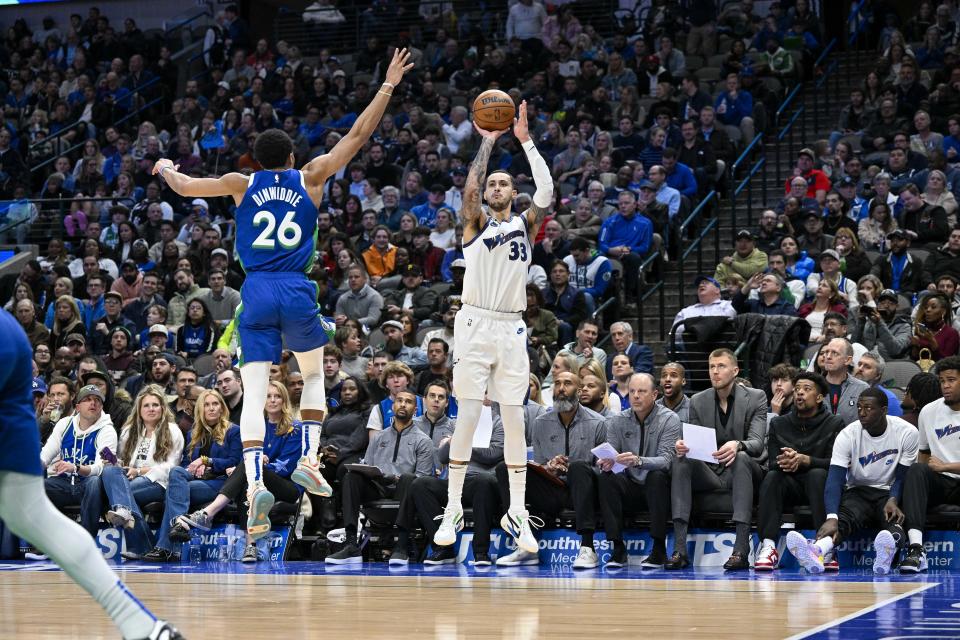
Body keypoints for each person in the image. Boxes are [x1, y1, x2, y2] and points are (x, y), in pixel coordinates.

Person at [154, 51, 413, 539]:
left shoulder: (240, 182)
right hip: (296, 287)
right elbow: (358, 136)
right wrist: (387, 85)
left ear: (257, 160)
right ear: (292, 160)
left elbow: (186, 187)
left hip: (254, 292)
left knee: (253, 394)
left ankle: (253, 488)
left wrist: (166, 167)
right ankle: (310, 458)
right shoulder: (311, 176)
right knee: (312, 375)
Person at [0, 311, 183, 639]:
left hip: (114, 482)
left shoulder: (113, 430)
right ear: (79, 405)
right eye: (89, 401)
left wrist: (86, 467)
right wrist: (52, 464)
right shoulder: (75, 426)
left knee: (103, 477)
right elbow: (47, 454)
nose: (94, 405)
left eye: (98, 400)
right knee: (25, 510)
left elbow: (112, 462)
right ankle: (143, 625)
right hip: (78, 482)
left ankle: (121, 514)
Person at [433, 99, 553, 556]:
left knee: (515, 418)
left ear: (513, 193)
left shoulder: (527, 225)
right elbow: (468, 192)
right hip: (475, 322)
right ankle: (452, 506)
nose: (498, 187)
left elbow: (546, 189)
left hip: (513, 327)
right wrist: (486, 144)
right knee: (467, 413)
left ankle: (517, 512)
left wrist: (526, 142)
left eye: (506, 183)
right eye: (494, 184)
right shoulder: (476, 223)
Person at [784, 388, 918, 576]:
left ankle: (886, 555)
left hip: (889, 493)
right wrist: (832, 516)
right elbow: (835, 478)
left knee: (894, 525)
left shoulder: (907, 432)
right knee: (842, 521)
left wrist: (894, 498)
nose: (862, 413)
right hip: (859, 491)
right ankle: (818, 550)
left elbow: (903, 474)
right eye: (859, 408)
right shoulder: (848, 434)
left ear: (884, 410)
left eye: (869, 408)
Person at [180, 381, 305, 563]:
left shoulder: (296, 428)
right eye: (268, 396)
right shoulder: (255, 426)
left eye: (277, 396)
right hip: (255, 479)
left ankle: (208, 512)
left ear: (284, 400)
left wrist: (258, 465)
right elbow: (243, 456)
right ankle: (250, 545)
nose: (272, 400)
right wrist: (251, 464)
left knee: (249, 467)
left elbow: (285, 467)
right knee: (248, 480)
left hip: (287, 487)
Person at [668, 349, 767, 571]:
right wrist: (683, 445)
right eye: (711, 367)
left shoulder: (756, 397)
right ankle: (680, 550)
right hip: (712, 472)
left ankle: (741, 549)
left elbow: (757, 443)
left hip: (746, 470)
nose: (715, 371)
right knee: (680, 460)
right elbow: (695, 442)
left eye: (721, 366)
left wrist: (737, 444)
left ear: (735, 370)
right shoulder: (698, 400)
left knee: (741, 457)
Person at [494, 371, 606, 567]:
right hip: (553, 491)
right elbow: (539, 465)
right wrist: (549, 467)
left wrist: (572, 468)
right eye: (557, 383)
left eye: (568, 383)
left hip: (586, 492)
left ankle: (588, 548)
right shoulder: (541, 423)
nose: (561, 388)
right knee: (506, 469)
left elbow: (604, 470)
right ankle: (524, 544)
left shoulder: (598, 422)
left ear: (579, 391)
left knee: (579, 467)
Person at [325, 389, 435, 564]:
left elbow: (422, 478)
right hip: (378, 487)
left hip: (404, 491)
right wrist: (370, 472)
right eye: (399, 400)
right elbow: (368, 465)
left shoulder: (423, 441)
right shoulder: (378, 437)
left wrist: (393, 478)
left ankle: (402, 546)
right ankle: (352, 544)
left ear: (415, 410)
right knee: (351, 476)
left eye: (408, 402)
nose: (403, 404)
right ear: (393, 406)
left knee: (409, 479)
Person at [754, 373, 844, 570]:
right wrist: (789, 462)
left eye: (807, 389)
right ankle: (768, 546)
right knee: (772, 476)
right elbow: (773, 463)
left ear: (819, 397)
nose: (800, 393)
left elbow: (836, 464)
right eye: (797, 389)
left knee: (817, 474)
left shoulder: (835, 423)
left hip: (820, 487)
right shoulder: (779, 423)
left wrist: (806, 460)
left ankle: (825, 547)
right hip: (790, 486)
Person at [141, 389, 242, 562]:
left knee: (174, 492)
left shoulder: (233, 431)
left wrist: (207, 461)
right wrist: (194, 468)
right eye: (206, 405)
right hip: (196, 479)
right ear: (200, 410)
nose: (211, 408)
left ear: (222, 408)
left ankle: (165, 547)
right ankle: (177, 529)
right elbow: (188, 463)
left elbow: (235, 461)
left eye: (215, 404)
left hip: (220, 483)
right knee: (176, 471)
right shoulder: (193, 432)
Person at [596, 372, 680, 568]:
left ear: (655, 394)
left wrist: (638, 461)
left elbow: (667, 460)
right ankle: (617, 548)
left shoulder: (669, 419)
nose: (635, 396)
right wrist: (607, 463)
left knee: (657, 476)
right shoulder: (617, 421)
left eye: (642, 391)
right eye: (632, 391)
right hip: (630, 486)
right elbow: (612, 454)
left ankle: (659, 548)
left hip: (658, 487)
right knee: (606, 477)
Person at [99, 385, 185, 560]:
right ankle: (141, 540)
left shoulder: (173, 430)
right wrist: (116, 463)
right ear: (139, 409)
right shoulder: (128, 431)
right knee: (109, 472)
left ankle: (139, 543)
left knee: (120, 493)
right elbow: (124, 461)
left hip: (159, 482)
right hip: (130, 479)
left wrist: (139, 471)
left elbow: (171, 467)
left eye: (155, 405)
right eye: (146, 405)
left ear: (162, 408)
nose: (151, 409)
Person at [901, 356, 960, 572]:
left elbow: (939, 464)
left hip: (951, 473)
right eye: (942, 380)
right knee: (916, 470)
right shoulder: (929, 411)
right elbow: (924, 454)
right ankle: (916, 548)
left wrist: (945, 466)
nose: (945, 385)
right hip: (943, 483)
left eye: (951, 380)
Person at [854, 351, 903, 417]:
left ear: (877, 375)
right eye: (859, 364)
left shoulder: (889, 400)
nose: (860, 369)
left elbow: (895, 426)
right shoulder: (844, 390)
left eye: (867, 367)